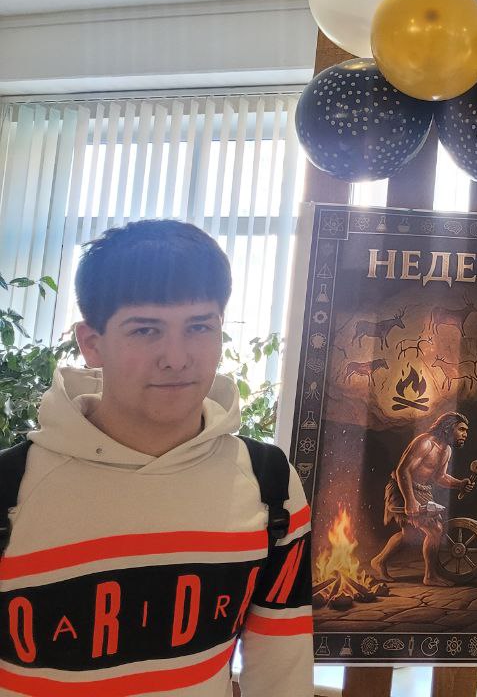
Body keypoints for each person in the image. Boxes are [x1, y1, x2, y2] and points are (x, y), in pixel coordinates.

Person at [0, 220, 312, 696]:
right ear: (91, 343)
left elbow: (281, 673)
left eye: (199, 327)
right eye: (145, 329)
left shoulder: (269, 485)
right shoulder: (11, 487)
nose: (177, 357)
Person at [370, 411, 474, 586]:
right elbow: (403, 470)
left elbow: (440, 477)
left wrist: (460, 483)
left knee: (409, 534)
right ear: (448, 428)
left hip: (422, 490)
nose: (465, 434)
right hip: (402, 488)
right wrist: (410, 500)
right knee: (435, 530)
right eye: (461, 429)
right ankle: (430, 576)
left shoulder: (446, 450)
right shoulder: (425, 443)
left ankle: (379, 561)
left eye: (466, 431)